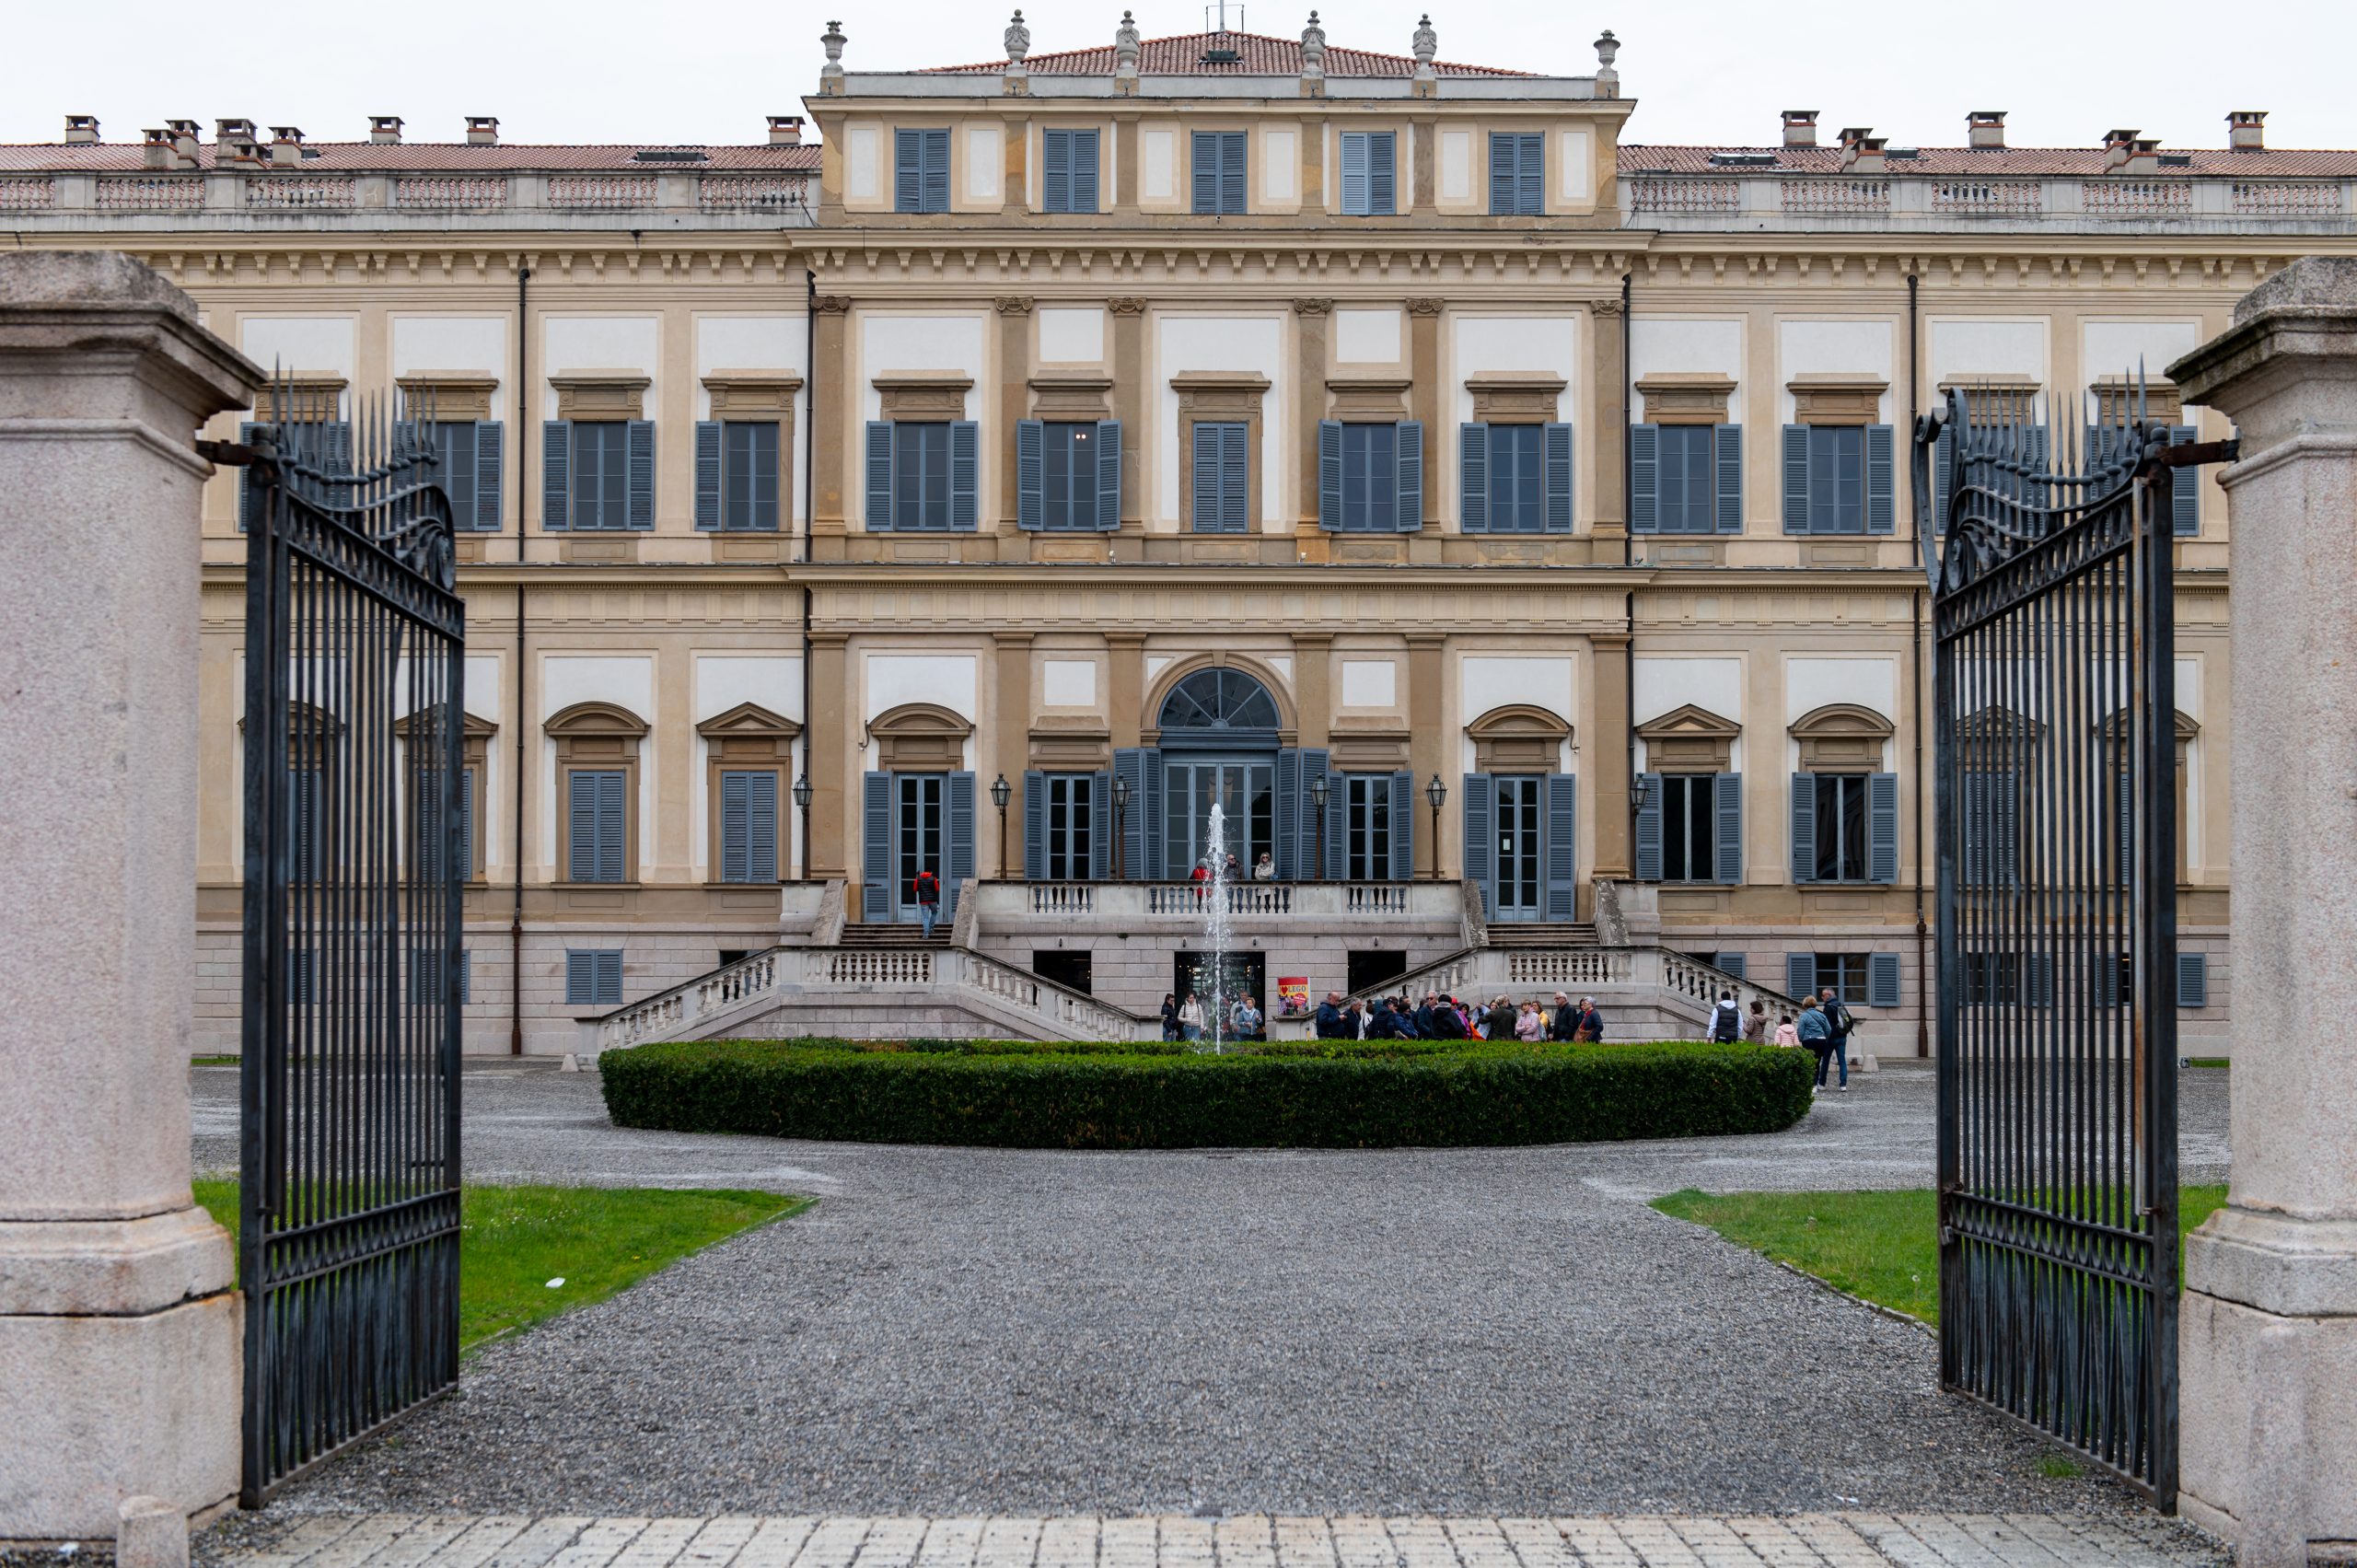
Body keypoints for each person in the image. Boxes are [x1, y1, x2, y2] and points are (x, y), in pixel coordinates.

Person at [1817, 985, 1854, 1092]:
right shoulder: (1841, 1005)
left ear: (1828, 996)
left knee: (1825, 1061)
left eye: (1823, 995)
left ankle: (1822, 1084)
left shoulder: (1828, 1007)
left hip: (1830, 1039)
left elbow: (1826, 1025)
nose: (1822, 998)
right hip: (1842, 1037)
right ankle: (1843, 1085)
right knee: (1842, 1061)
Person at [1797, 997, 1834, 1091]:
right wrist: (1824, 1037)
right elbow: (1829, 1029)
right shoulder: (1822, 1015)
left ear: (1805, 1004)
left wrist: (1801, 1039)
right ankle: (1815, 1085)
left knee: (1809, 1062)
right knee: (1817, 1062)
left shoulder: (1803, 1016)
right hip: (1821, 1040)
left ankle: (1810, 1084)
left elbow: (1800, 1030)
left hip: (1809, 1041)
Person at [912, 867, 941, 938]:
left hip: (923, 901)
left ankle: (926, 934)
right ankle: (931, 928)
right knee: (934, 913)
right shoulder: (933, 878)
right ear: (930, 872)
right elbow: (937, 889)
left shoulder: (918, 879)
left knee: (925, 918)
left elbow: (915, 889)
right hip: (933, 900)